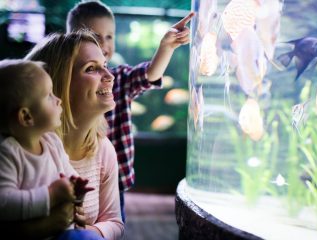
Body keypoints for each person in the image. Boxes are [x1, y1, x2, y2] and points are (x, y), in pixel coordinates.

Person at [66, 0, 194, 221]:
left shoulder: (119, 79)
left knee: (113, 227)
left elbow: (150, 74)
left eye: (110, 36)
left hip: (114, 185)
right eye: (96, 37)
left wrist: (167, 46)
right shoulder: (63, 84)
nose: (104, 44)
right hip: (73, 182)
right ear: (72, 40)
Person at [25, 30, 124, 240]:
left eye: (105, 66)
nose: (110, 76)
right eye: (91, 69)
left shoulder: (104, 150)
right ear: (56, 85)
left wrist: (86, 233)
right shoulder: (25, 148)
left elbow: (114, 222)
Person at [0, 59, 99, 239]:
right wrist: (51, 194)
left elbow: (67, 173)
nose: (59, 100)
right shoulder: (7, 153)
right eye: (49, 95)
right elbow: (4, 202)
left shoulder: (52, 142)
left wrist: (75, 188)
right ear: (26, 116)